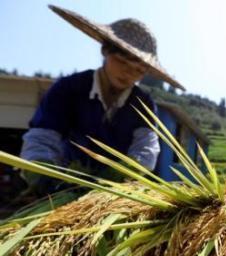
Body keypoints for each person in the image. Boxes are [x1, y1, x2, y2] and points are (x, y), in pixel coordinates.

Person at [20, 5, 184, 195]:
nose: (129, 73)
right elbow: (42, 137)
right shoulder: (68, 89)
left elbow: (146, 148)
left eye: (139, 70)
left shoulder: (143, 103)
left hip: (116, 193)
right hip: (65, 184)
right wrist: (43, 174)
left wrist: (118, 175)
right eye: (122, 61)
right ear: (105, 51)